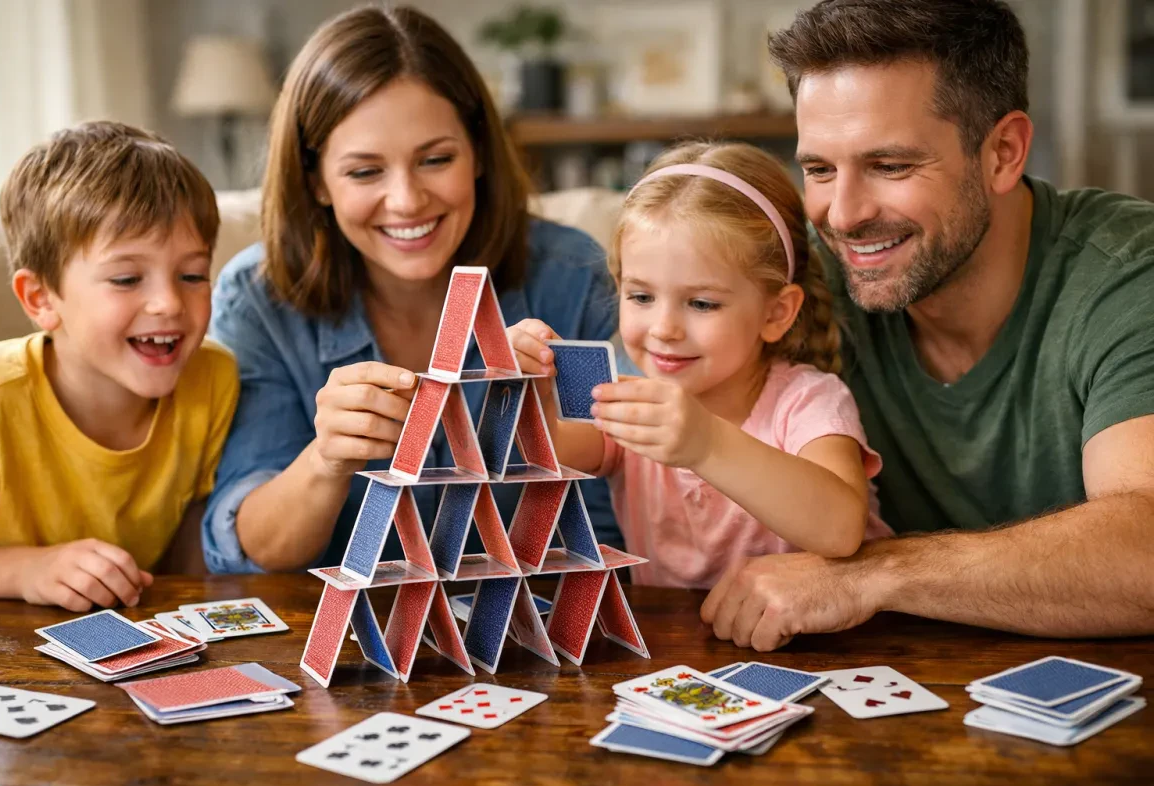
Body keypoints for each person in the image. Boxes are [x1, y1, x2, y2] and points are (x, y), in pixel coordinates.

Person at [701, 0, 1154, 650]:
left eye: (890, 166)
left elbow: (1145, 551)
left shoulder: (1129, 275)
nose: (844, 215)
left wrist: (873, 575)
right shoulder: (795, 280)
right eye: (820, 169)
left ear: (1002, 152)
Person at [203, 5, 620, 574]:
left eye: (435, 159)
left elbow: (607, 514)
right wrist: (325, 461)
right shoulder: (258, 299)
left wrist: (555, 430)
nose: (406, 201)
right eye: (364, 172)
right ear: (315, 180)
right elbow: (249, 550)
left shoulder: (573, 278)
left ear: (476, 153)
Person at [509, 141, 892, 589]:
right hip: (681, 644)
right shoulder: (629, 403)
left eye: (702, 303)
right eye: (641, 297)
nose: (664, 328)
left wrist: (706, 444)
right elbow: (542, 452)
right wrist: (526, 385)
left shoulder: (807, 401)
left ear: (775, 314)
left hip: (829, 644)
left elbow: (841, 529)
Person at [0, 121, 238, 611]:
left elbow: (196, 546)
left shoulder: (213, 379)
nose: (169, 303)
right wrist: (27, 570)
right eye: (127, 279)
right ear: (41, 298)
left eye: (192, 274)